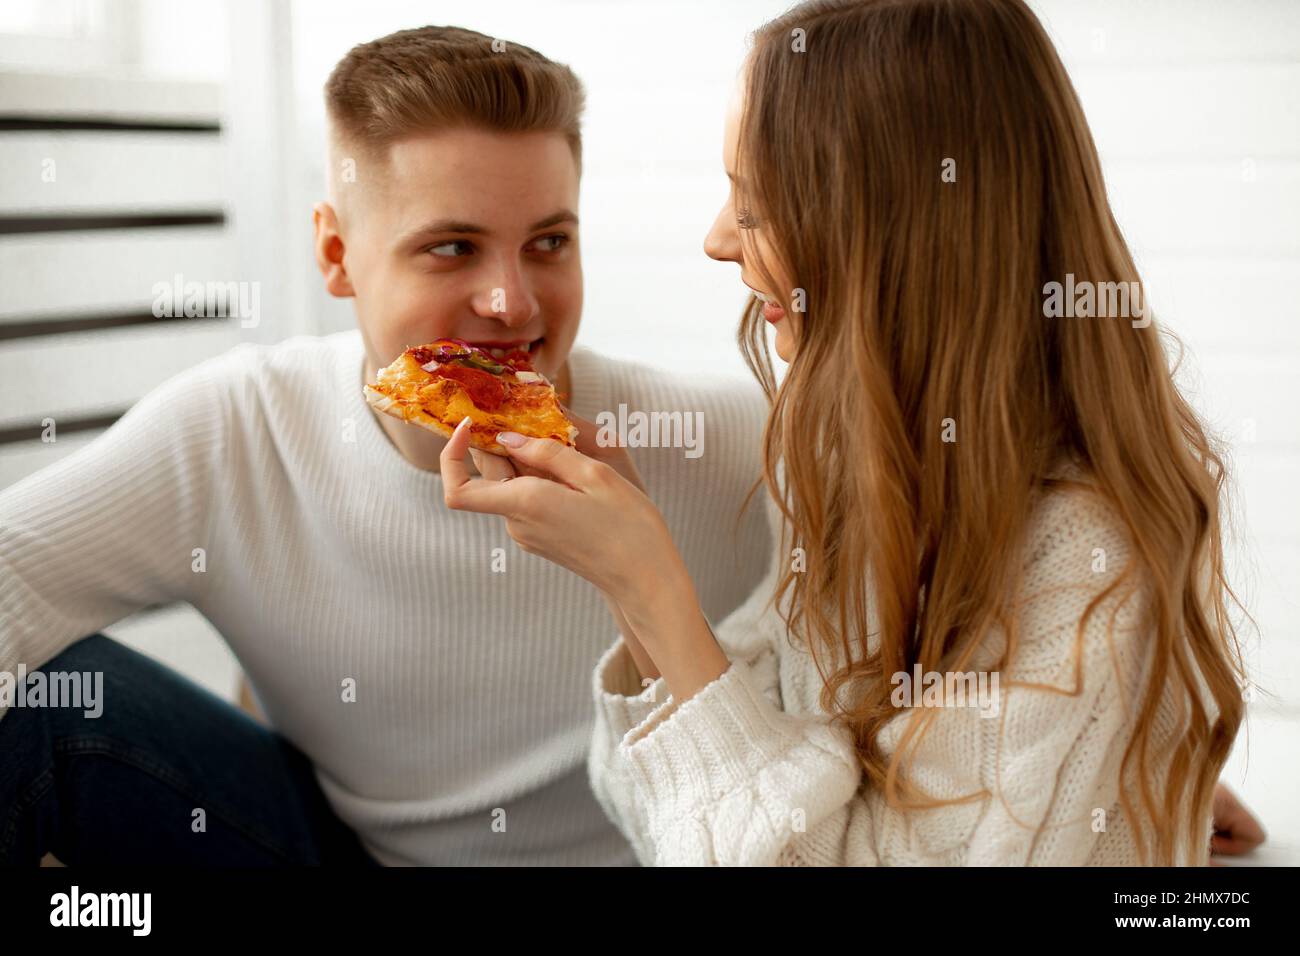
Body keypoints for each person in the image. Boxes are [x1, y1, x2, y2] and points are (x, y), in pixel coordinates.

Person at [441, 0, 1260, 866]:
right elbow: (665, 816)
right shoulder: (853, 462)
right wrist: (629, 581)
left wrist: (651, 585)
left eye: (755, 206)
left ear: (892, 230)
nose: (717, 240)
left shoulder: (1090, 560)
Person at [0, 25, 771, 866]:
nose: (512, 303)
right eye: (453, 248)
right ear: (337, 255)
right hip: (337, 856)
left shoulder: (729, 443)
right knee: (57, 702)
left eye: (548, 242)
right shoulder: (239, 427)